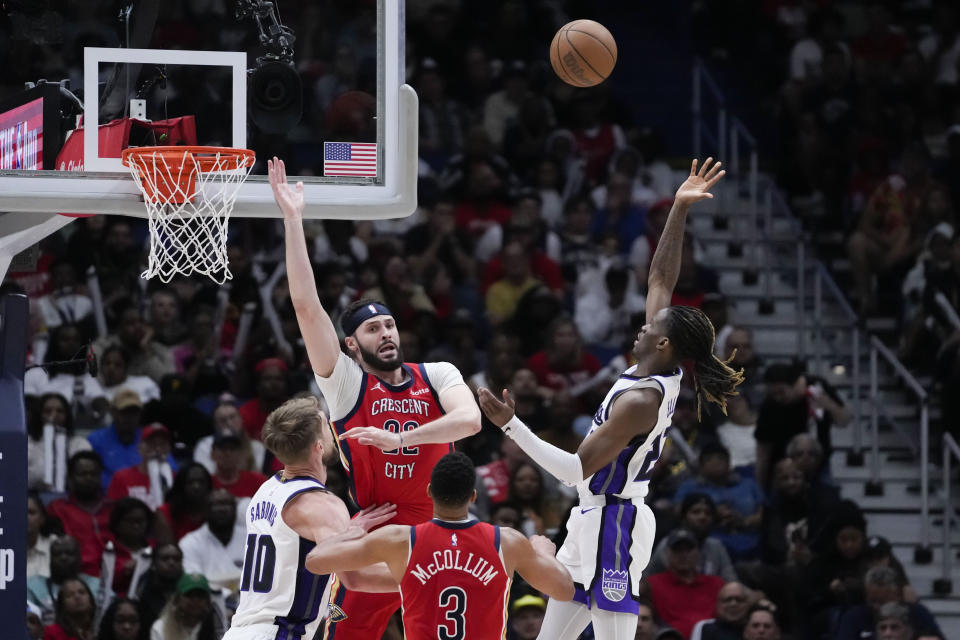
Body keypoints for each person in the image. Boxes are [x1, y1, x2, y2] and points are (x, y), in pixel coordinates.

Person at [478, 158, 740, 639]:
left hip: (614, 520)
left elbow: (575, 469)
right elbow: (661, 279)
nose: (644, 322)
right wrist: (678, 210)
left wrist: (511, 426)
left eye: (651, 326)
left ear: (664, 344)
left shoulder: (640, 400)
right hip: (590, 519)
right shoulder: (655, 363)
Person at [269, 157, 482, 640]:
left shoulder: (439, 373)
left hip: (436, 536)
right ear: (352, 345)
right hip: (373, 539)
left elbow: (469, 422)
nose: (385, 333)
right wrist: (294, 220)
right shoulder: (346, 385)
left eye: (389, 324)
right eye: (371, 328)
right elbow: (306, 306)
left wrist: (394, 439)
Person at [303, 452, 575, 639]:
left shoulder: (399, 541)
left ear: (430, 490)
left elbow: (316, 561)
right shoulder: (506, 541)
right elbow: (564, 590)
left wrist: (352, 531)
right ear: (473, 496)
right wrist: (542, 552)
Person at [222, 396, 398, 640]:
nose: (332, 433)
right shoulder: (322, 505)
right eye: (327, 426)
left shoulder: (266, 490)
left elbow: (293, 541)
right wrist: (425, 576)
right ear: (318, 446)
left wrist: (342, 531)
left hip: (239, 631)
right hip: (278, 633)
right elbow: (356, 577)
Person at [646, 528, 726, 638]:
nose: (683, 555)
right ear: (667, 553)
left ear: (698, 552)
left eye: (688, 549)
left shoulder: (716, 584)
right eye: (677, 550)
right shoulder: (652, 584)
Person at [47, 452, 114, 577]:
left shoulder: (113, 508)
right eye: (82, 474)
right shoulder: (57, 508)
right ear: (71, 477)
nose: (88, 478)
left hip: (115, 572)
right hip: (75, 573)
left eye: (93, 474)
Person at [179, 489, 247, 591]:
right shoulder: (190, 543)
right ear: (205, 511)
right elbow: (195, 582)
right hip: (208, 602)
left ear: (235, 509)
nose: (222, 509)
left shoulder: (251, 537)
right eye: (216, 505)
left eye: (227, 504)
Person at [27, 536, 103, 625]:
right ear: (50, 559)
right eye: (57, 554)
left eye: (69, 553)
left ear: (80, 558)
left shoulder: (97, 585)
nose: (63, 557)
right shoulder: (33, 586)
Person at [193, 402, 266, 476]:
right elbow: (207, 475)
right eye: (222, 420)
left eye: (232, 417)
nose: (229, 423)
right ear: (215, 425)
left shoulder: (257, 447)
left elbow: (257, 475)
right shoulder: (205, 445)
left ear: (241, 419)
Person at [149, 573, 223, 640]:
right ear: (177, 599)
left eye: (200, 595)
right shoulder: (160, 628)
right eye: (190, 594)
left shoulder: (216, 626)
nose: (195, 600)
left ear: (207, 601)